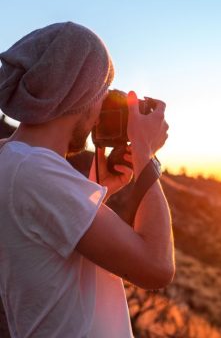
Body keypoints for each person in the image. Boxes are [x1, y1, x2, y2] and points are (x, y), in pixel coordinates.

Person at [0, 22, 175, 337]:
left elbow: (54, 247)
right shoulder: (33, 170)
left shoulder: (15, 161)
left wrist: (102, 188)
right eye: (101, 91)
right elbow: (157, 268)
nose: (101, 106)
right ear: (79, 93)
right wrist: (146, 156)